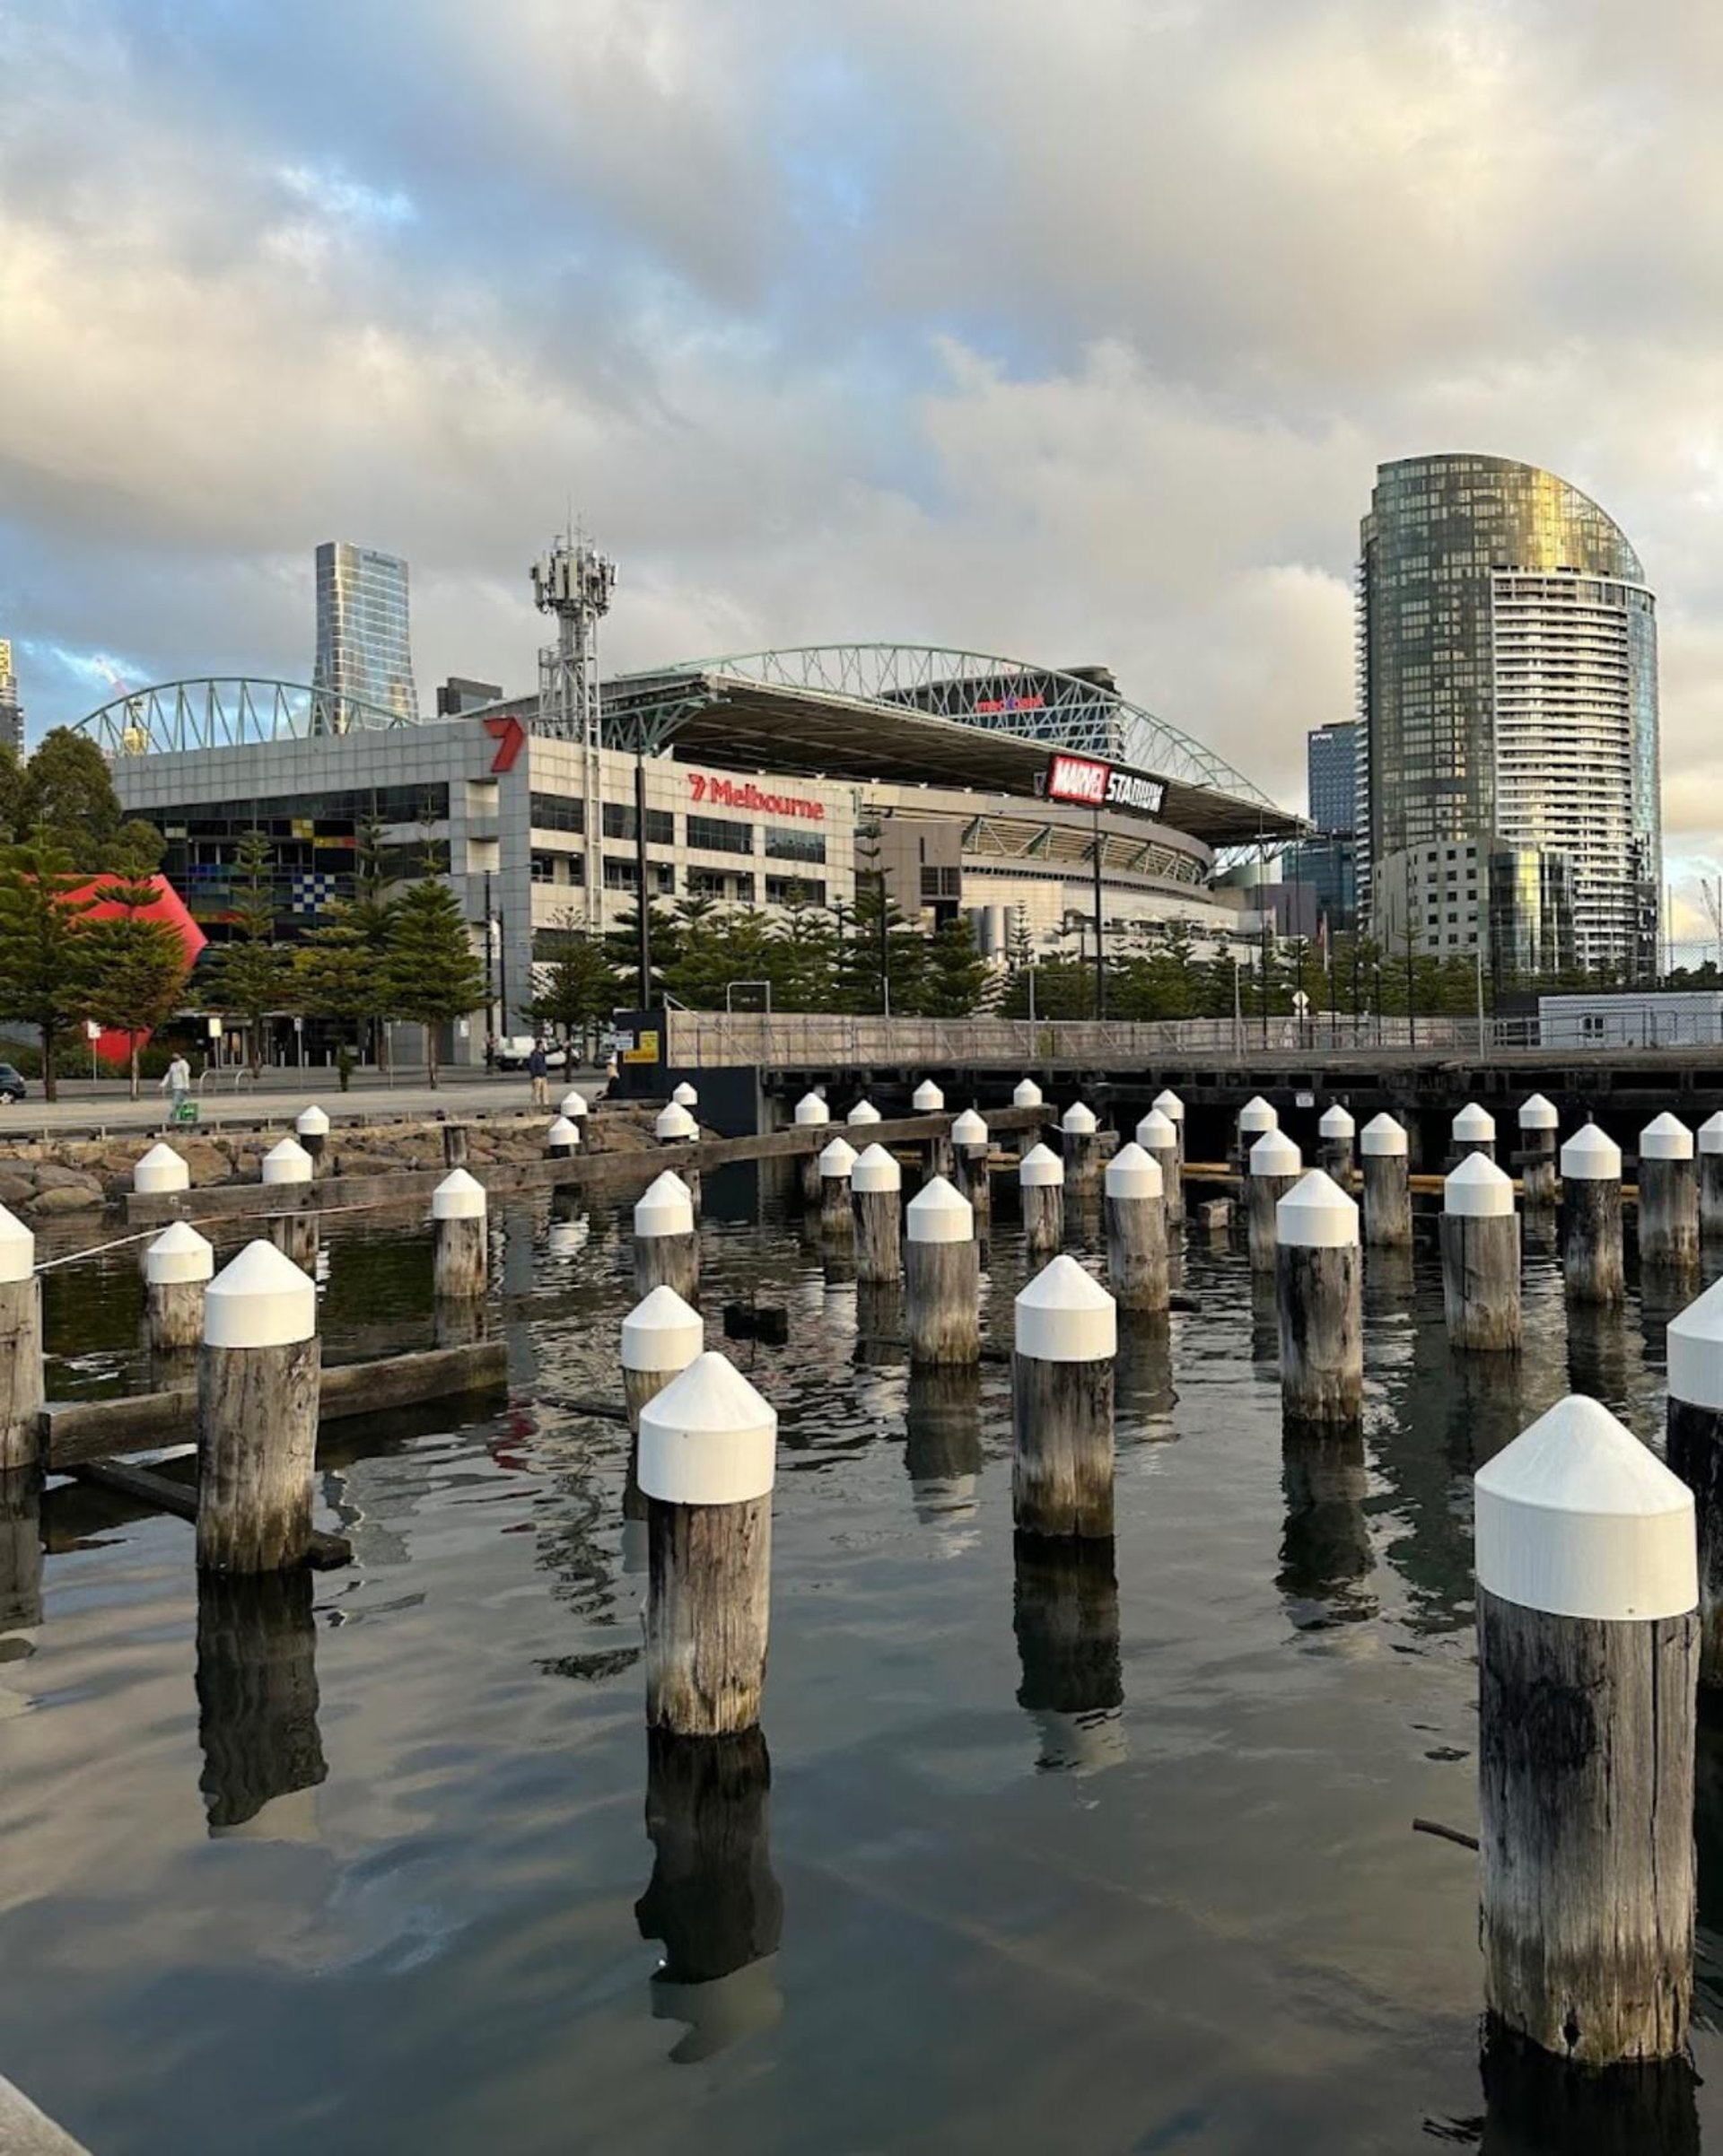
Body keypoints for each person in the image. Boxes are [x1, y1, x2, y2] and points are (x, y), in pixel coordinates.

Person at [160, 1052, 192, 1117]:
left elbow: (185, 1075)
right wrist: (163, 1083)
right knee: (179, 1101)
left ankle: (173, 1116)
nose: (174, 1056)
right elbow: (169, 1074)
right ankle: (178, 1115)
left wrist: (186, 1086)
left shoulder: (183, 1064)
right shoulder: (173, 1065)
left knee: (177, 1101)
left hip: (181, 1086)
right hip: (175, 1086)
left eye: (176, 1054)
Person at [528, 1038, 549, 1108]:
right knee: (536, 1092)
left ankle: (545, 1106)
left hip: (543, 1076)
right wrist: (533, 1075)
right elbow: (532, 1065)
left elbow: (551, 1051)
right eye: (542, 1044)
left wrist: (560, 1047)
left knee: (545, 1092)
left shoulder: (542, 1053)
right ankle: (536, 1106)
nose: (543, 1046)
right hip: (537, 1076)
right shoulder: (534, 1054)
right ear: (539, 1045)